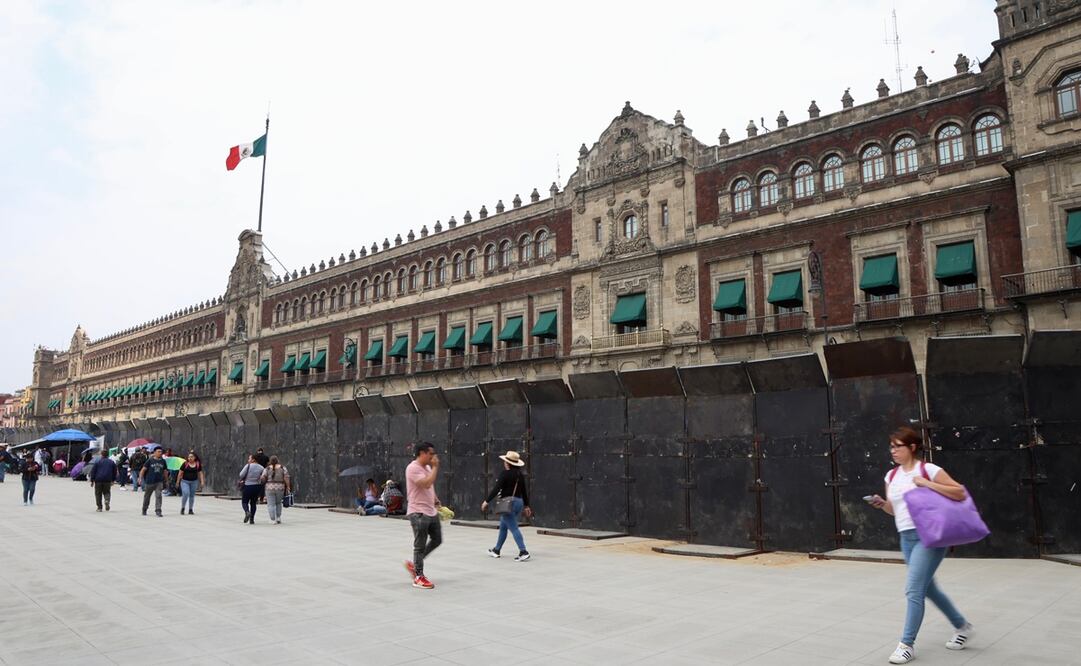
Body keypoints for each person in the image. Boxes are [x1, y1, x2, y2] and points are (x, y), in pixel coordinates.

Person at [867, 426, 972, 664]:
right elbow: (894, 511)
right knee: (928, 588)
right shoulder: (890, 476)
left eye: (898, 446)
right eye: (891, 446)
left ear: (912, 447)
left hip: (930, 535)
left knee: (914, 589)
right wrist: (881, 504)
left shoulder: (928, 469)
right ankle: (962, 625)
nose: (893, 450)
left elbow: (959, 493)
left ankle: (906, 644)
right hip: (906, 537)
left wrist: (927, 484)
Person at [481, 450, 533, 562]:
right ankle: (496, 550)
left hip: (508, 503)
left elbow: (496, 488)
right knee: (503, 527)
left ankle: (523, 551)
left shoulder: (505, 474)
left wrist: (486, 501)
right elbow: (524, 491)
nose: (504, 463)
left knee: (513, 528)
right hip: (518, 502)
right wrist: (527, 506)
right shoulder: (520, 475)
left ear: (508, 463)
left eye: (505, 461)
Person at [404, 442, 442, 589]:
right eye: (430, 453)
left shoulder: (426, 467)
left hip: (430, 510)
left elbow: (429, 486)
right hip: (418, 512)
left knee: (437, 539)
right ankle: (419, 576)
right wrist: (435, 467)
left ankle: (414, 564)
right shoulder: (412, 468)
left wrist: (435, 498)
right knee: (419, 546)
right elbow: (425, 483)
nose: (433, 456)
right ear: (422, 453)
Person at [260, 456, 291, 524]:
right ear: (278, 460)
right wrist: (288, 486)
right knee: (278, 503)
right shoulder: (283, 468)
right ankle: (278, 517)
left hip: (269, 488)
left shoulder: (267, 468)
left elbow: (263, 478)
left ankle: (272, 519)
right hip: (280, 488)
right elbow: (286, 477)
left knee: (271, 504)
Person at [140, 448, 169, 517]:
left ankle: (158, 510)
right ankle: (144, 509)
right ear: (155, 453)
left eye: (161, 452)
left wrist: (167, 480)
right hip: (149, 481)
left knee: (159, 496)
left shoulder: (163, 461)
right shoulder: (150, 460)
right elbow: (143, 469)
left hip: (159, 482)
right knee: (147, 496)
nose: (160, 453)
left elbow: (165, 471)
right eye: (158, 452)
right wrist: (140, 478)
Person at [238, 454, 265, 524]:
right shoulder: (261, 467)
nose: (248, 460)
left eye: (249, 458)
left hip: (248, 486)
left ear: (253, 459)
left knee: (244, 502)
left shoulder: (248, 466)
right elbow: (263, 477)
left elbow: (241, 475)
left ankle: (247, 512)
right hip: (257, 487)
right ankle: (252, 519)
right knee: (253, 503)